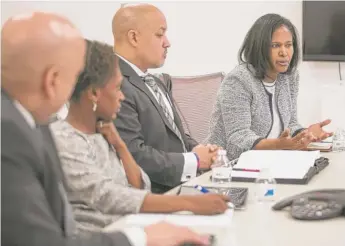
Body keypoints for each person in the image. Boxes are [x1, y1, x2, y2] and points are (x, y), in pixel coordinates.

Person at [0, 12, 214, 246]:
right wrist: (141, 237)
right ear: (52, 82)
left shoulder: (30, 124)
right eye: (72, 77)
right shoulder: (11, 134)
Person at [50, 40, 230, 233]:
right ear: (94, 93)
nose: (121, 96)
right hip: (103, 236)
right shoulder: (64, 139)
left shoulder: (103, 133)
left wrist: (120, 145)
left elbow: (140, 185)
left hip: (131, 227)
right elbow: (106, 196)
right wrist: (188, 203)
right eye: (117, 88)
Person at [112, 4, 219, 193]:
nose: (167, 42)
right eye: (160, 34)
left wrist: (203, 151)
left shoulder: (155, 81)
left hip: (182, 185)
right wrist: (193, 160)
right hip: (153, 195)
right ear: (134, 37)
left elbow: (175, 135)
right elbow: (132, 153)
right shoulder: (114, 83)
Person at [206, 13, 333, 160]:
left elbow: (290, 123)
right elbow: (237, 140)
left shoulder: (289, 77)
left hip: (270, 162)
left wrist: (305, 134)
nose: (284, 52)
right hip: (227, 167)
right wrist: (280, 145)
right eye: (275, 45)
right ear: (259, 47)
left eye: (288, 45)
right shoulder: (238, 80)